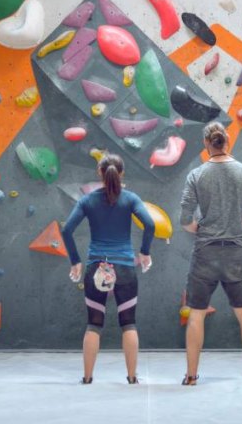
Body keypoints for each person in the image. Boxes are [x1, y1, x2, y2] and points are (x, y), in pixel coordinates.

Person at [179, 122, 242, 386]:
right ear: (227, 141)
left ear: (207, 144)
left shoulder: (196, 175)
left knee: (196, 313)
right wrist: (238, 226)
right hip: (236, 252)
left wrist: (201, 229)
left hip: (205, 251)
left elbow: (185, 219)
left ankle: (191, 377)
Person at [61, 153, 154, 385]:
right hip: (124, 269)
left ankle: (88, 377)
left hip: (96, 268)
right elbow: (150, 225)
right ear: (121, 173)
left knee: (94, 323)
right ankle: (132, 378)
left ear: (99, 174)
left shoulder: (87, 200)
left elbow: (66, 230)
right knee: (128, 323)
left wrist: (75, 260)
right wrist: (144, 252)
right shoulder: (131, 199)